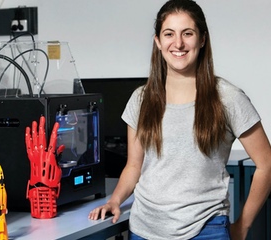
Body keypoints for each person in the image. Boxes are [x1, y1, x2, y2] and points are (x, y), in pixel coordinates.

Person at [88, 0, 271, 239]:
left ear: (202, 39)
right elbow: (134, 166)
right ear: (158, 42)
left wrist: (243, 226)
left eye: (188, 33)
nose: (178, 43)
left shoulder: (228, 98)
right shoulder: (140, 99)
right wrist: (115, 199)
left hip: (207, 229)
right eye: (169, 34)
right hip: (145, 230)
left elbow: (266, 164)